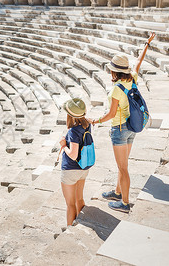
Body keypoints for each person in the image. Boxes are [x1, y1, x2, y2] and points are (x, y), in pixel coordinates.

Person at [89, 33, 156, 213]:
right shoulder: (132, 78)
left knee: (123, 168)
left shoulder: (116, 90)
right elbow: (138, 63)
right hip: (132, 126)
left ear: (114, 71)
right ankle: (118, 192)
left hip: (119, 129)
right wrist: (146, 44)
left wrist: (95, 120)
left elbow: (111, 114)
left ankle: (125, 203)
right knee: (123, 164)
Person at [59, 98, 93, 226]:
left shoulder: (73, 132)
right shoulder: (87, 124)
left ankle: (69, 229)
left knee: (70, 204)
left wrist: (63, 145)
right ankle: (81, 223)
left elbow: (73, 155)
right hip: (83, 169)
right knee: (79, 199)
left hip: (71, 170)